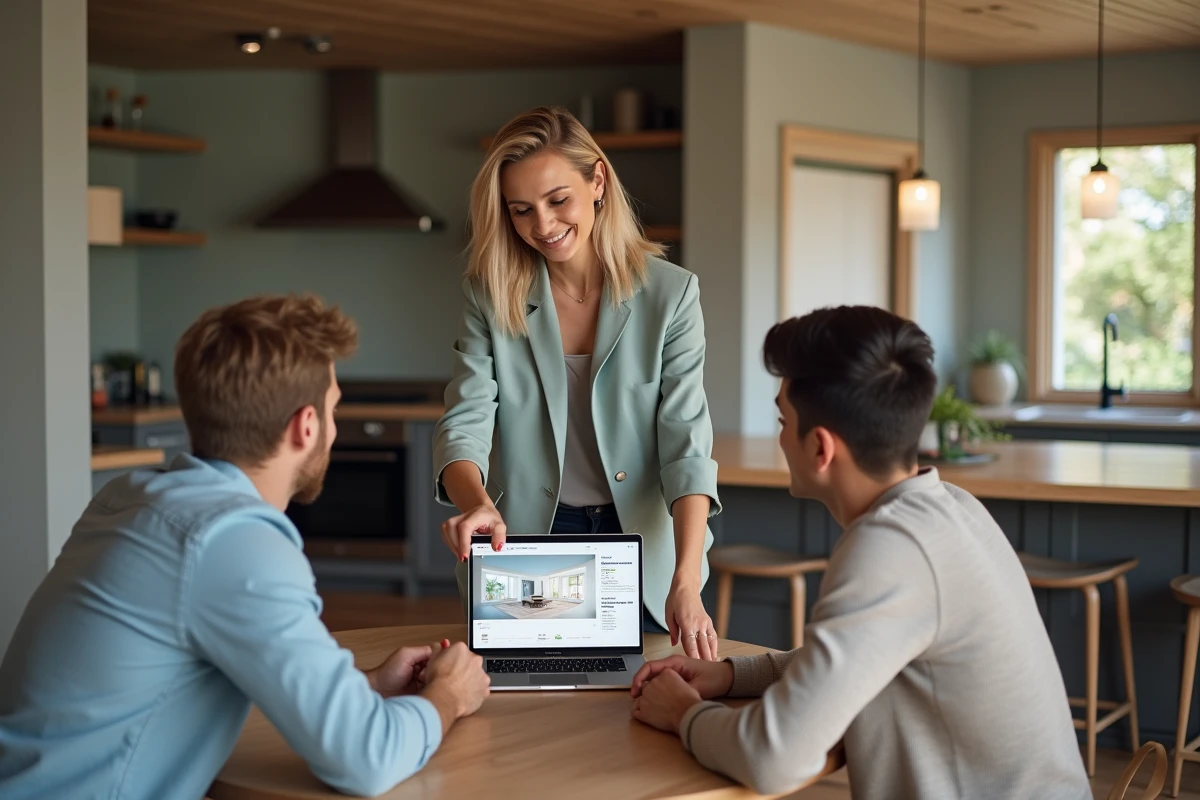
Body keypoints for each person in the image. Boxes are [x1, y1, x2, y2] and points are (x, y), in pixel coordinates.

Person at [0, 295, 490, 800]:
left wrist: (364, 685)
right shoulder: (232, 541)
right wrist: (448, 696)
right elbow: (365, 760)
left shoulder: (133, 496)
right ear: (306, 426)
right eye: (334, 409)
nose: (335, 425)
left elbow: (204, 672)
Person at [628, 306, 1092, 799]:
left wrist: (683, 713)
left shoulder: (890, 549)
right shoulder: (951, 507)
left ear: (821, 448)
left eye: (784, 420)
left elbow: (772, 759)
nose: (781, 436)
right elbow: (852, 658)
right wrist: (728, 675)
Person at [433, 106, 723, 657]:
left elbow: (686, 444)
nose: (542, 225)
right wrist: (476, 503)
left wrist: (685, 580)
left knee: (647, 703)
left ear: (598, 180)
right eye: (521, 210)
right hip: (530, 538)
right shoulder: (490, 297)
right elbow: (465, 418)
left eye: (557, 200)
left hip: (644, 544)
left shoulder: (672, 295)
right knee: (531, 712)